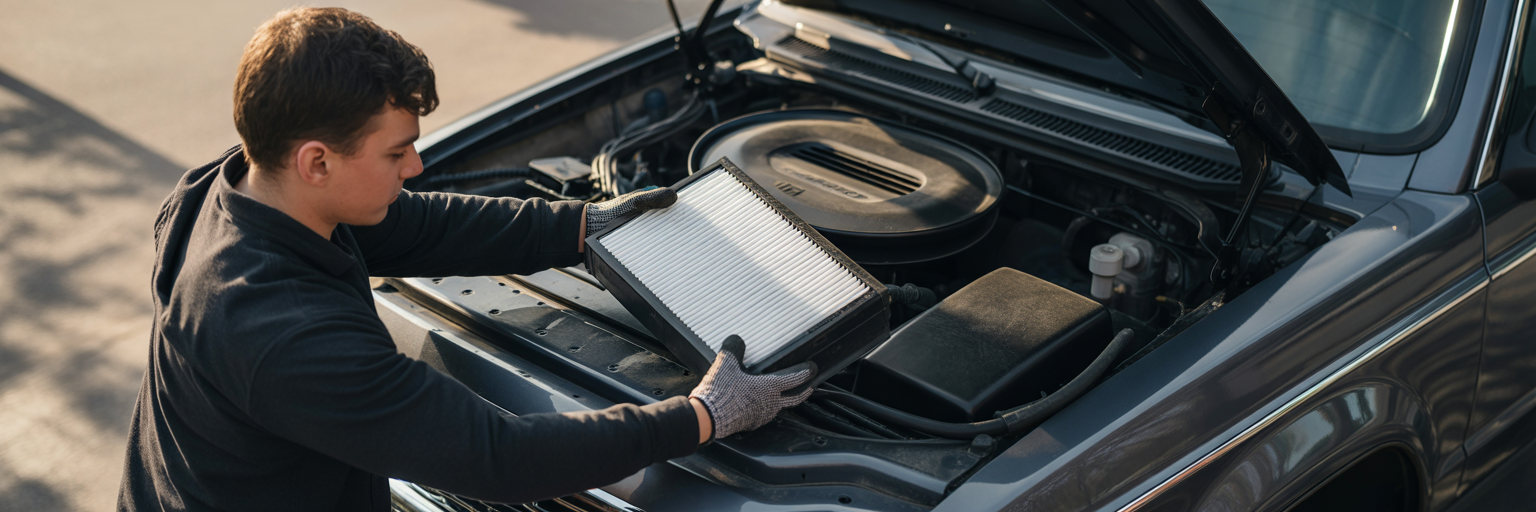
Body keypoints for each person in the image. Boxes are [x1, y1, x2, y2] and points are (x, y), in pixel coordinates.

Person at [117, 7, 815, 511]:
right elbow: (500, 459)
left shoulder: (233, 186)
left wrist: (582, 225)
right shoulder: (279, 332)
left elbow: (415, 225)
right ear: (316, 161)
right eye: (396, 152)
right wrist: (702, 415)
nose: (417, 166)